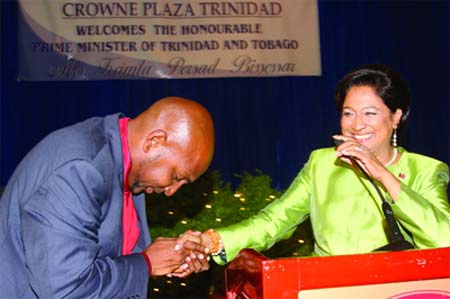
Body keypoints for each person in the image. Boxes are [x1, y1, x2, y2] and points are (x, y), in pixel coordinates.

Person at [176, 64, 450, 272]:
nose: (356, 125)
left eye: (370, 113)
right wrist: (210, 241)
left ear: (396, 117)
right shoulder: (322, 163)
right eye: (348, 113)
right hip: (324, 288)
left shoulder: (426, 170)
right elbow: (273, 222)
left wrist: (381, 173)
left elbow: (443, 240)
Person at [0, 96, 214, 298]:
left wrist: (171, 257)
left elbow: (109, 259)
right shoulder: (81, 168)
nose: (171, 191)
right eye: (176, 176)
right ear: (154, 141)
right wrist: (147, 263)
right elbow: (65, 290)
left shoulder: (125, 165)